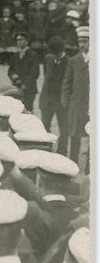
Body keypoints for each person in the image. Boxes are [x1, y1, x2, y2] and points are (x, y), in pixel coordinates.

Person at [59, 26, 89, 163]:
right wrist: (65, 101)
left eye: (86, 41)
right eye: (80, 41)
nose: (82, 44)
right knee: (75, 135)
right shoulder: (74, 60)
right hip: (76, 104)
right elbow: (66, 83)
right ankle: (73, 163)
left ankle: (91, 166)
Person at [8, 31, 40, 111]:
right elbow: (10, 70)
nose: (19, 42)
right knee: (16, 111)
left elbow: (35, 73)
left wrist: (25, 85)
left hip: (29, 89)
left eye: (21, 40)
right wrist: (13, 76)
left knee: (27, 111)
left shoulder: (33, 55)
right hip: (16, 87)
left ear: (27, 41)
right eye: (17, 40)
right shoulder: (15, 56)